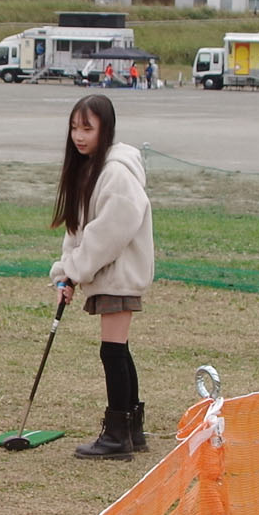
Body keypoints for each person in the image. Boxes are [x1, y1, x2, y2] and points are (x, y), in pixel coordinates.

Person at [49, 94, 156, 458]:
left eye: (87, 128)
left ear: (104, 129)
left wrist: (78, 270)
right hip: (104, 273)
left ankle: (118, 435)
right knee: (118, 350)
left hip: (118, 273)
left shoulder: (115, 172)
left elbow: (108, 232)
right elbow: (78, 230)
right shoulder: (89, 168)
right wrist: (65, 274)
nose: (79, 136)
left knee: (113, 352)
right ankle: (131, 430)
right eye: (75, 128)